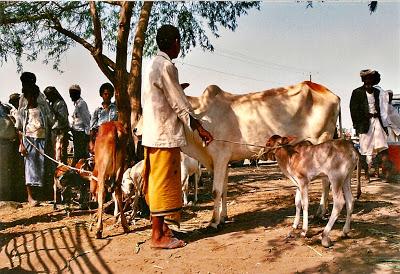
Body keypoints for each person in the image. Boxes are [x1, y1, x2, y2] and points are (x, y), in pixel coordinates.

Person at [141, 24, 213, 249]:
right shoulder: (166, 66)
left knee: (156, 181)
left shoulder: (152, 64)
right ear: (173, 42)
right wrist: (199, 127)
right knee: (163, 183)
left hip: (153, 133)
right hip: (164, 135)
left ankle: (162, 229)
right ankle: (158, 237)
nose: (179, 46)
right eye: (179, 41)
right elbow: (178, 103)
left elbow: (165, 96)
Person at [16, 83, 54, 206]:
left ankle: (40, 195)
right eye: (28, 96)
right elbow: (19, 128)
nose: (31, 98)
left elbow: (49, 123)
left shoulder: (42, 109)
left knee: (41, 167)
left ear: (36, 96)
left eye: (33, 96)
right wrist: (21, 144)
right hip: (29, 140)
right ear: (26, 97)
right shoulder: (23, 111)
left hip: (42, 138)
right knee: (30, 168)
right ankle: (30, 197)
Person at [350, 69, 388, 169]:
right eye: (366, 79)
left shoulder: (377, 92)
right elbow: (353, 110)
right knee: (365, 148)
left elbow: (382, 109)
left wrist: (385, 125)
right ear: (363, 80)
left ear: (374, 80)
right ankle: (367, 173)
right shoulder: (357, 92)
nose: (368, 81)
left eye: (371, 79)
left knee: (381, 146)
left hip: (377, 122)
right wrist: (356, 126)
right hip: (364, 124)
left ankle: (379, 171)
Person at [44, 86, 70, 164]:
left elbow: (63, 119)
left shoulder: (60, 103)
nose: (48, 98)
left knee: (60, 155)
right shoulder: (52, 104)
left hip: (60, 133)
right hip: (53, 133)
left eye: (49, 96)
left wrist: (52, 110)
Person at [89, 82, 118, 147]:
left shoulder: (115, 109)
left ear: (112, 95)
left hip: (113, 139)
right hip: (100, 138)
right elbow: (92, 128)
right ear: (101, 95)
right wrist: (91, 142)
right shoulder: (98, 110)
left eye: (109, 94)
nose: (107, 96)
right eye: (105, 94)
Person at [69, 84, 91, 166]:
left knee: (81, 156)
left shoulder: (81, 104)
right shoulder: (77, 105)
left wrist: (87, 135)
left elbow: (87, 120)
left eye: (72, 93)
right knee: (78, 155)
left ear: (77, 93)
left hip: (81, 134)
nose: (70, 95)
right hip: (76, 133)